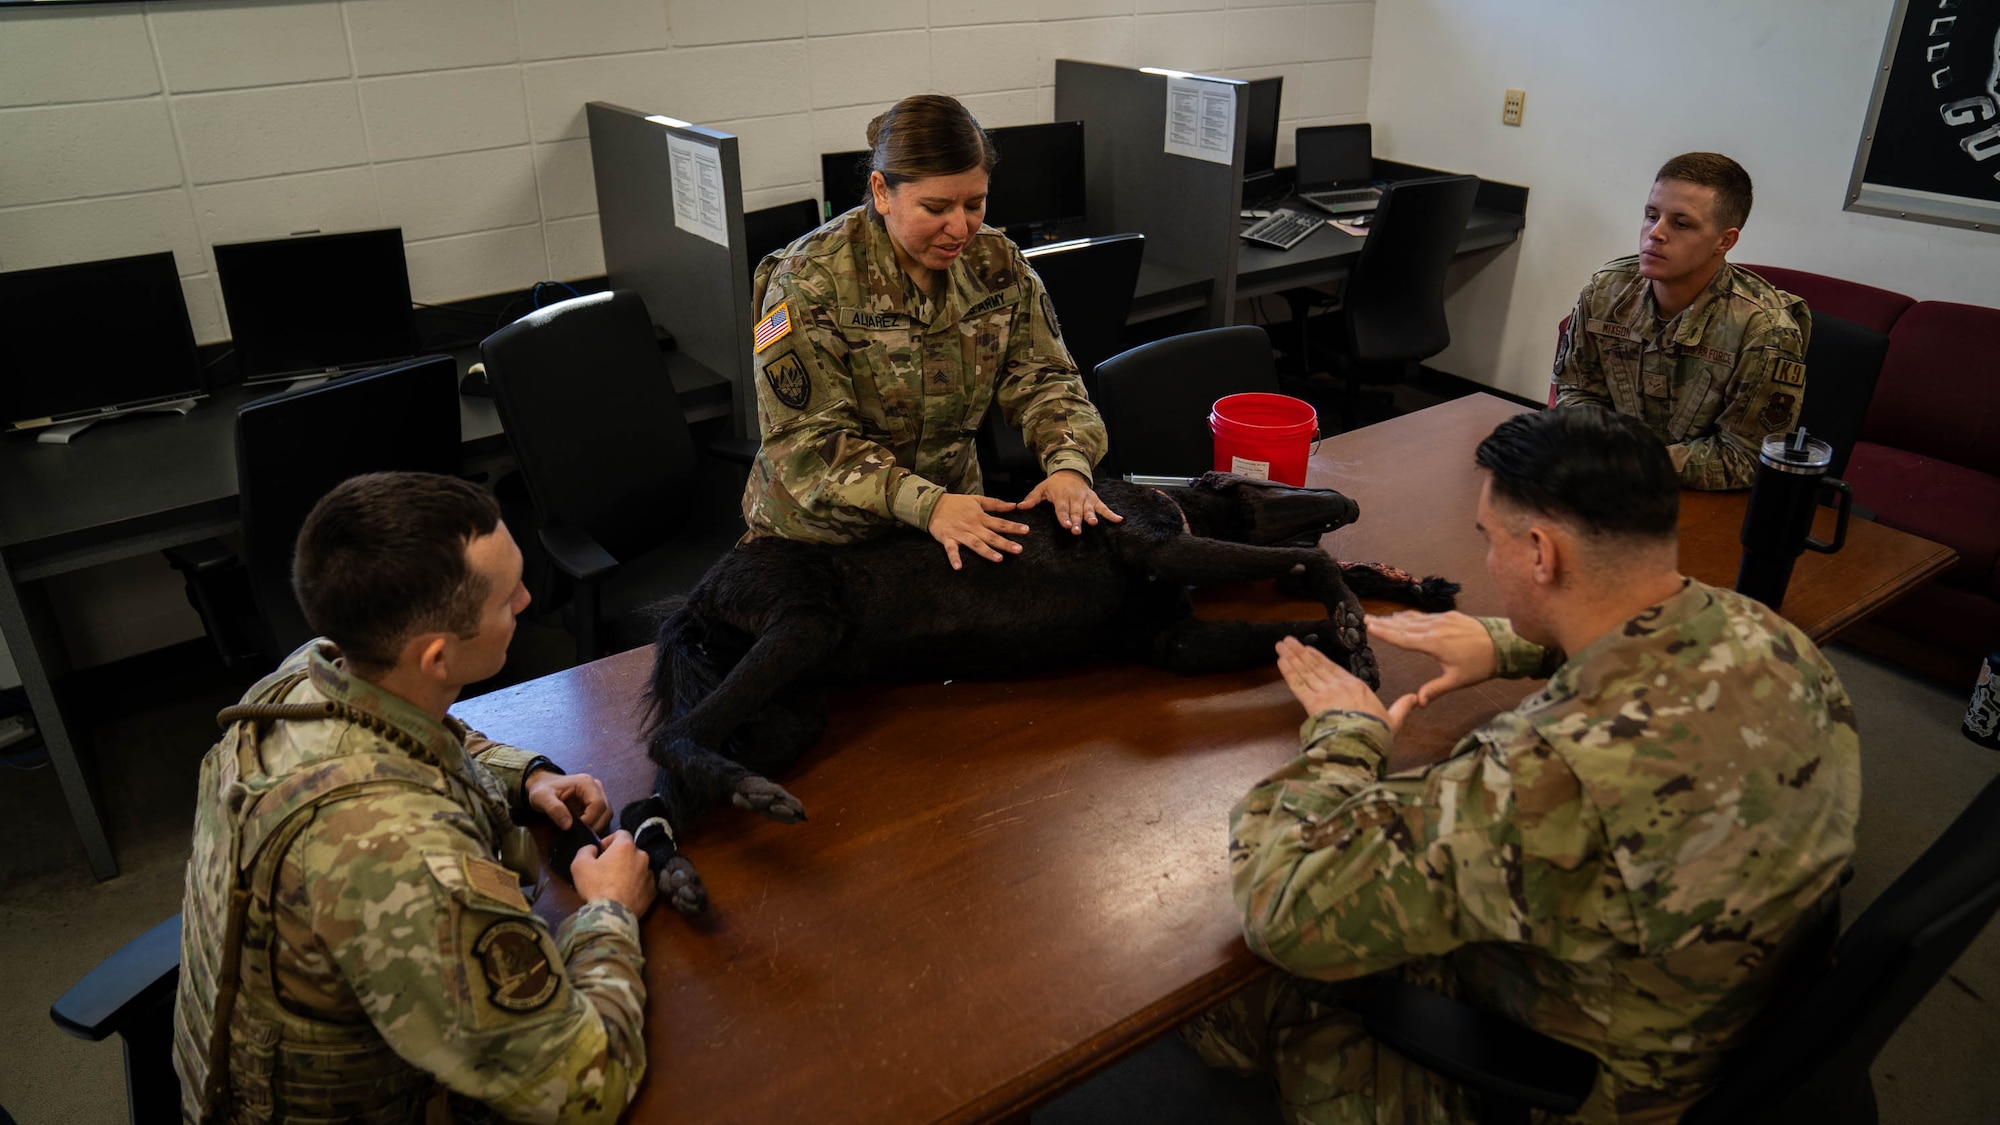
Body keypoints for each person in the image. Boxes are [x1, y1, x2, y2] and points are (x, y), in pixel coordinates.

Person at [1187, 406, 1860, 1123]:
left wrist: (1347, 736)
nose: (1487, 560)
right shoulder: (1773, 638)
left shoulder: (1551, 776)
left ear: (1542, 552)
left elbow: (1284, 906)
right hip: (1716, 1012)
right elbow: (1658, 648)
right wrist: (1509, 642)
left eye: (1491, 540)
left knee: (1239, 981)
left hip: (1586, 1078)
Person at [173, 472, 657, 1125]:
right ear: (435, 656)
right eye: (505, 597)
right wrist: (609, 911)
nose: (526, 597)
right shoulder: (400, 858)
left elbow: (413, 731)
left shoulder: (306, 672)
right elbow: (580, 1089)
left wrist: (527, 776)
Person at [743, 93, 1120, 570]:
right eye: (936, 207)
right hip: (824, 546)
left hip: (953, 529)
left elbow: (1045, 379)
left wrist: (1068, 465)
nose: (959, 228)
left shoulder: (996, 262)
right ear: (882, 191)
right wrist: (929, 505)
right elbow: (807, 445)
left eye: (975, 203)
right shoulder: (807, 281)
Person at [1553, 152, 1811, 491]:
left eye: (1681, 223)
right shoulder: (1606, 290)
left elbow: (1745, 457)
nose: (1655, 234)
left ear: (1725, 240)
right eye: (1651, 215)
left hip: (1699, 501)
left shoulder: (1764, 330)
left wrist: (1637, 462)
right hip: (1608, 484)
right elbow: (1578, 389)